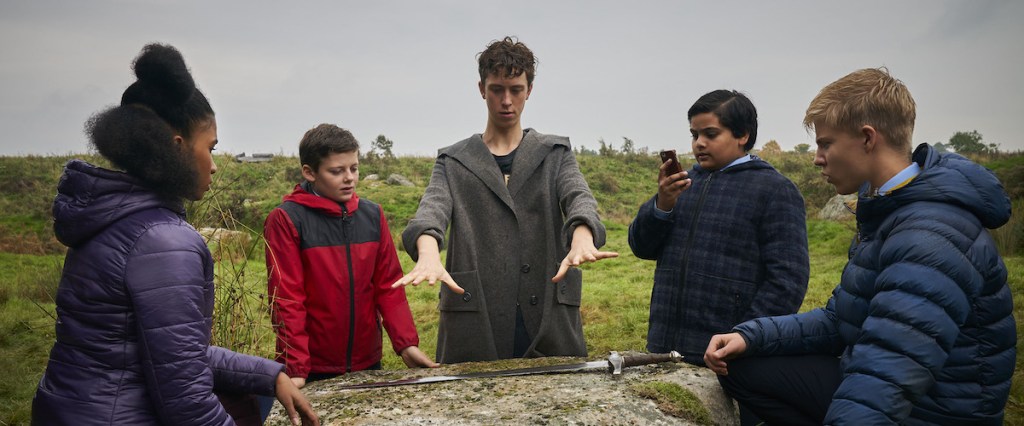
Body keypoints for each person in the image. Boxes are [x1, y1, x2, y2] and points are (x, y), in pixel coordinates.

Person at [704, 68, 1015, 425]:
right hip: (897, 386)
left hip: (933, 411)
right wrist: (750, 336)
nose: (817, 158)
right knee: (743, 365)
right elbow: (842, 320)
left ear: (868, 139)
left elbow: (888, 373)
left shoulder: (929, 234)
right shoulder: (890, 209)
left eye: (826, 143)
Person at [31, 44, 318, 426]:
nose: (214, 166)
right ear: (177, 147)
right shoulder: (164, 241)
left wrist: (270, 374)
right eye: (210, 148)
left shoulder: (108, 220)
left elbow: (167, 353)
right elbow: (186, 400)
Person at [393, 36, 618, 364]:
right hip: (475, 316)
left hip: (547, 313)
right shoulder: (453, 161)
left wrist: (582, 236)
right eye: (497, 89)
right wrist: (428, 254)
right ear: (482, 88)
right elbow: (432, 209)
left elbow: (578, 196)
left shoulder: (555, 153)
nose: (507, 100)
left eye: (516, 89)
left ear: (530, 90)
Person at [628, 90, 809, 365]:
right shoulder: (682, 184)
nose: (699, 143)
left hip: (729, 356)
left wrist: (746, 337)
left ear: (743, 135)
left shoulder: (774, 190)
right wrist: (662, 204)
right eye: (694, 134)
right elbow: (641, 246)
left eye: (710, 134)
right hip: (664, 349)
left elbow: (787, 281)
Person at [264, 123, 436, 387]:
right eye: (337, 171)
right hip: (311, 368)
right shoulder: (286, 220)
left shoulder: (372, 215)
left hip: (368, 362)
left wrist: (406, 344)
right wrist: (296, 367)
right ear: (309, 172)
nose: (350, 178)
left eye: (354, 168)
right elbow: (287, 300)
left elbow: (389, 286)